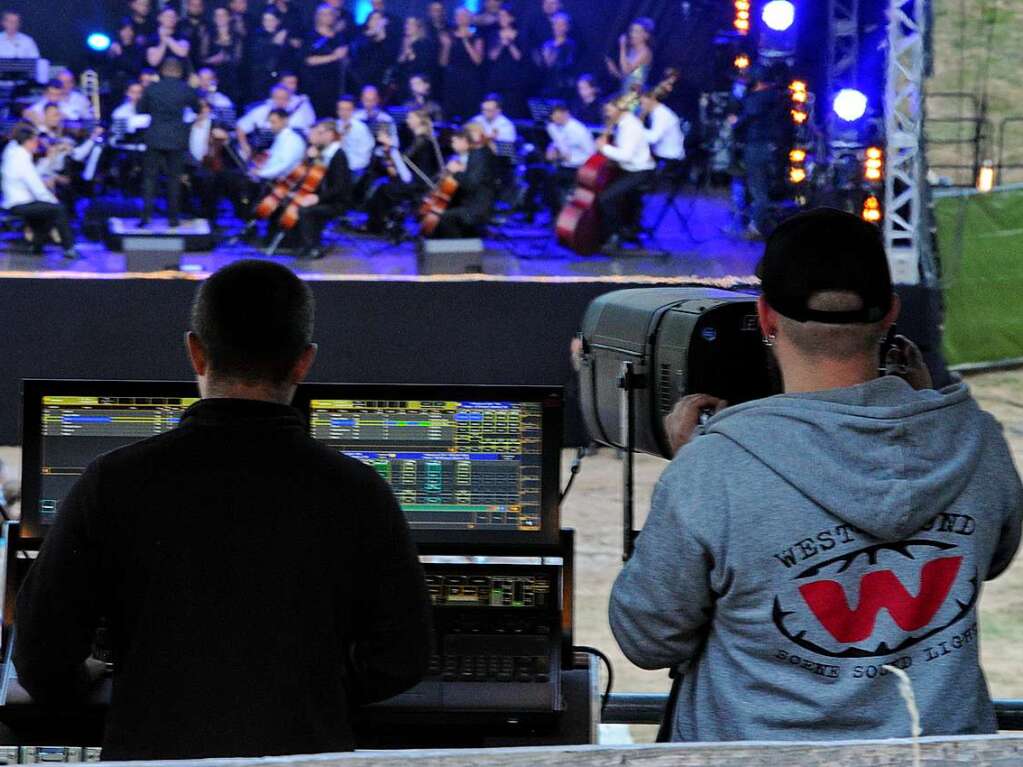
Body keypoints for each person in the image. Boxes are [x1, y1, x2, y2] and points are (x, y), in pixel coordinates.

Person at [609, 208, 1023, 742]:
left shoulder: (715, 468)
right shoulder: (978, 441)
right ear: (891, 313)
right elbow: (990, 558)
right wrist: (920, 409)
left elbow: (648, 639)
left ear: (766, 318)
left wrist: (693, 466)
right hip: (932, 752)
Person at [14, 259, 433, 760]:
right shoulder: (360, 490)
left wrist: (91, 679)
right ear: (304, 362)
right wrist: (312, 691)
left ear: (195, 352)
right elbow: (404, 657)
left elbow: (39, 661)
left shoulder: (112, 481)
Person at [137, 57, 201, 227]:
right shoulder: (186, 89)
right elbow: (198, 108)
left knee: (150, 178)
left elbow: (140, 109)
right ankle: (173, 219)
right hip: (177, 139)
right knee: (174, 179)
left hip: (155, 137)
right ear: (180, 72)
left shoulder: (152, 88)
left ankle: (145, 217)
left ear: (162, 71)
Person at [1, 123, 80, 259]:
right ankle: (69, 248)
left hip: (21, 201)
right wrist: (52, 201)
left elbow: (34, 176)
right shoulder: (20, 158)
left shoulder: (15, 152)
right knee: (57, 209)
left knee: (48, 212)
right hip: (19, 203)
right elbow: (36, 187)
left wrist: (49, 159)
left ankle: (37, 246)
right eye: (35, 141)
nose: (38, 144)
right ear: (28, 142)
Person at [732, 65, 790, 238]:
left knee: (758, 190)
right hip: (772, 148)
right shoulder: (779, 98)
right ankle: (754, 222)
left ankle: (755, 227)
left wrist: (735, 121)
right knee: (761, 186)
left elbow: (743, 120)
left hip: (757, 146)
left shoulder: (757, 99)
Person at [595, 96, 654, 249]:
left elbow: (626, 155)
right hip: (628, 169)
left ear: (619, 109)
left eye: (609, 110)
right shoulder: (622, 124)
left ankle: (616, 235)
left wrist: (604, 148)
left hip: (640, 172)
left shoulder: (631, 127)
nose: (606, 114)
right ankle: (612, 231)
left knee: (606, 198)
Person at [296, 120, 352, 259]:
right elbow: (311, 179)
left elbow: (339, 187)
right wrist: (309, 160)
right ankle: (297, 242)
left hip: (336, 202)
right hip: (324, 197)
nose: (317, 136)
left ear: (330, 135)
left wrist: (317, 198)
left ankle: (314, 247)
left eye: (320, 133)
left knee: (305, 210)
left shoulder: (338, 155)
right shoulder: (322, 152)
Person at [427, 123, 494, 239]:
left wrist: (457, 172)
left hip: (476, 207)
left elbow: (471, 184)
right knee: (436, 214)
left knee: (442, 218)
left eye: (457, 140)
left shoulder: (480, 155)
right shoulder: (477, 154)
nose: (454, 144)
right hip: (470, 202)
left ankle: (456, 250)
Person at [303, 4, 350, 117]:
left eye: (330, 14)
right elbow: (308, 60)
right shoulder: (310, 36)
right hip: (316, 85)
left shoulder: (339, 37)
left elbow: (345, 57)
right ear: (317, 17)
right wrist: (334, 57)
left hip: (336, 85)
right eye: (324, 14)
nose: (327, 17)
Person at [439, 6, 483, 123]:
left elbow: (477, 60)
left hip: (469, 79)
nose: (461, 18)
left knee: (468, 113)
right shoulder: (449, 36)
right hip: (452, 79)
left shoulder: (476, 37)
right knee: (448, 113)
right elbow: (443, 62)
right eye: (458, 16)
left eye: (464, 16)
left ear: (470, 18)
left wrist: (465, 40)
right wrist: (447, 46)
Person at [485, 5, 527, 119]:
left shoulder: (520, 34)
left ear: (511, 18)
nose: (501, 18)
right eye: (500, 16)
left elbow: (519, 57)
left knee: (511, 110)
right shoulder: (493, 34)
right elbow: (492, 56)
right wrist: (501, 44)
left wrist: (509, 43)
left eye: (504, 16)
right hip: (497, 77)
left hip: (513, 79)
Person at [204, 6, 244, 103]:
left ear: (229, 17)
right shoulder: (208, 35)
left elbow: (239, 59)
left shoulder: (236, 37)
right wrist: (212, 59)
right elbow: (201, 58)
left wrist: (226, 58)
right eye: (217, 15)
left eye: (223, 15)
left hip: (231, 79)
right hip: (212, 78)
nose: (220, 18)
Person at [605, 17, 653, 95]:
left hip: (633, 98)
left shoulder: (645, 53)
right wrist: (615, 71)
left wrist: (622, 47)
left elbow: (626, 70)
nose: (632, 34)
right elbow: (626, 78)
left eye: (637, 32)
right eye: (632, 30)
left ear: (646, 36)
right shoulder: (632, 50)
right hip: (625, 93)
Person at [536, 12, 576, 102]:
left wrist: (552, 56)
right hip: (546, 85)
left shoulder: (570, 44)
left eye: (562, 25)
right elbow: (542, 65)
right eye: (556, 24)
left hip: (561, 87)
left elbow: (567, 65)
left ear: (567, 27)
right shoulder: (547, 44)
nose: (558, 27)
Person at [335, 94, 374, 180]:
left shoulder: (361, 128)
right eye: (341, 109)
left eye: (347, 109)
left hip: (354, 169)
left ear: (353, 110)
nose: (344, 112)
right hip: (337, 168)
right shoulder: (334, 126)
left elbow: (365, 153)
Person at [146, 7, 192, 72]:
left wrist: (166, 37)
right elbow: (153, 62)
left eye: (173, 17)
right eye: (167, 16)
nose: (171, 19)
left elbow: (182, 53)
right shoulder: (152, 38)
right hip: (158, 75)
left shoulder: (182, 36)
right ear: (160, 18)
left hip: (179, 74)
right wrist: (163, 42)